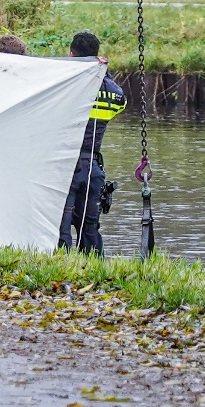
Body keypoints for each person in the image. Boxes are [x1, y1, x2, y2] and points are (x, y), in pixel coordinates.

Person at [60, 31, 125, 254]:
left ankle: (59, 264)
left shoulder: (65, 88)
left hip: (65, 166)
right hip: (93, 168)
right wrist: (104, 74)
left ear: (71, 54)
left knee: (61, 226)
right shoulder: (114, 95)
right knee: (89, 228)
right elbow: (121, 102)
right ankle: (93, 268)